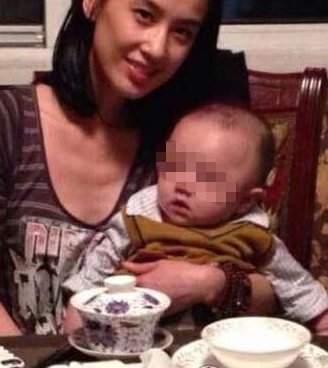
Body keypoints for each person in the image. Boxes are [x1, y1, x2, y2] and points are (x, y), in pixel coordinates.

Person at [0, 0, 275, 341]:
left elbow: (276, 290)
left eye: (182, 32)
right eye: (144, 15)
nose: (157, 47)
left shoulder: (187, 144)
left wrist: (209, 282)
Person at [62, 103, 328, 334]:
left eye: (206, 178)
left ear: (246, 200)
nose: (183, 186)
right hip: (138, 336)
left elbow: (294, 283)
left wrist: (320, 319)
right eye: (174, 166)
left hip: (220, 344)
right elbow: (99, 265)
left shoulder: (252, 233)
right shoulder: (138, 217)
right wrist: (79, 306)